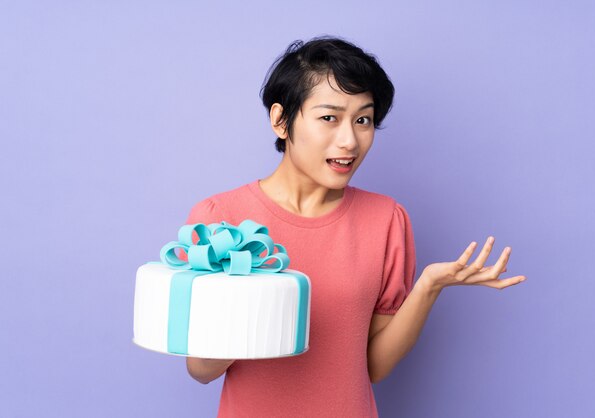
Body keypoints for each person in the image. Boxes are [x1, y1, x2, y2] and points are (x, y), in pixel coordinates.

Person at [183, 35, 527, 417]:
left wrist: (428, 286)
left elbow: (374, 367)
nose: (350, 140)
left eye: (363, 120)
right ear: (281, 121)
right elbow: (200, 370)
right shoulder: (219, 219)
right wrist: (252, 308)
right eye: (329, 118)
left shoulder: (386, 220)